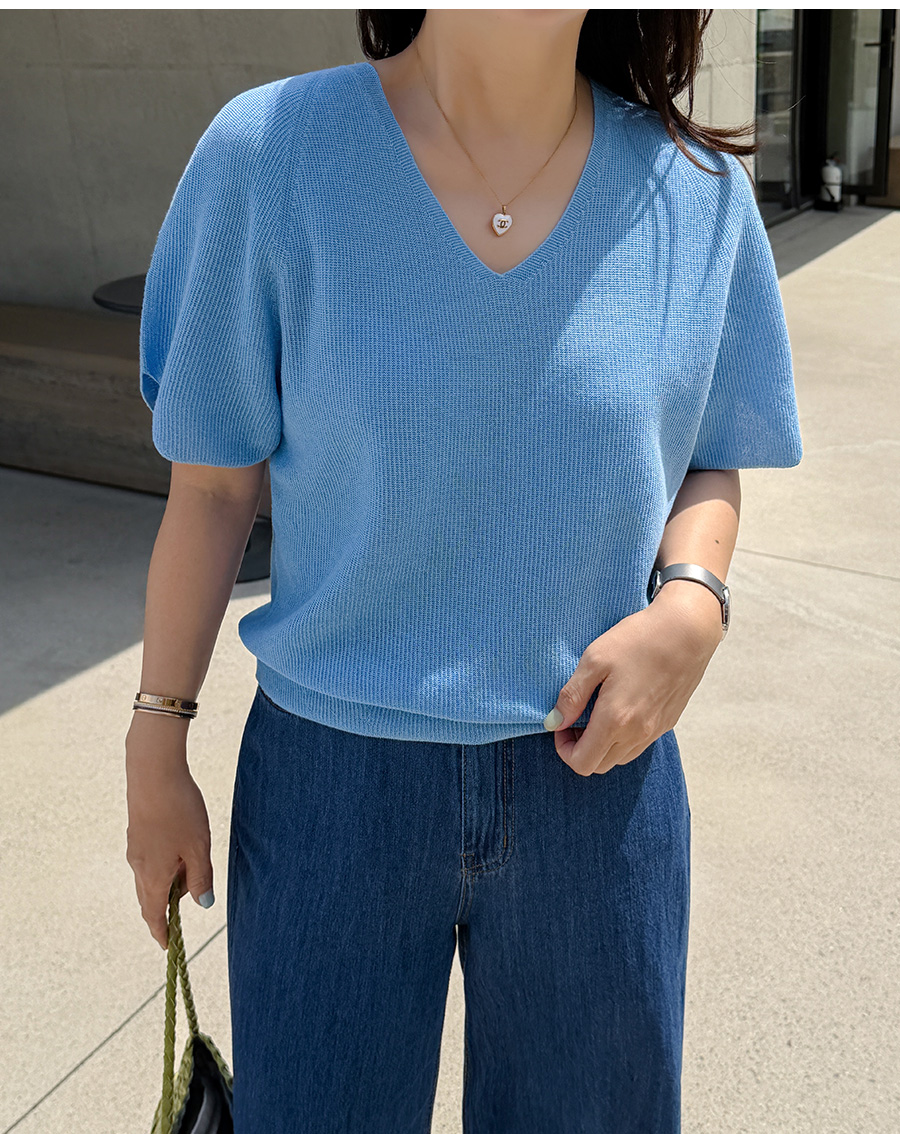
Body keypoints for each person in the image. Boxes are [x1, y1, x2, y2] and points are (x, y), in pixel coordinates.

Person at [125, 9, 803, 1131]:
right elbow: (210, 489)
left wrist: (694, 605)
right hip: (333, 786)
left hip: (599, 780)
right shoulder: (271, 156)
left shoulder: (695, 194)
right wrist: (157, 743)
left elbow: (713, 451)